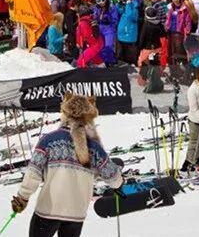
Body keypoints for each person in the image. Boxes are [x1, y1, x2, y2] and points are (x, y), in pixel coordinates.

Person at [12, 94, 122, 237]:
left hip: (48, 210)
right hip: (76, 214)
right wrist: (120, 184)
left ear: (64, 114)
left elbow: (34, 173)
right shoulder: (94, 148)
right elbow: (113, 178)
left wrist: (22, 197)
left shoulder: (49, 140)